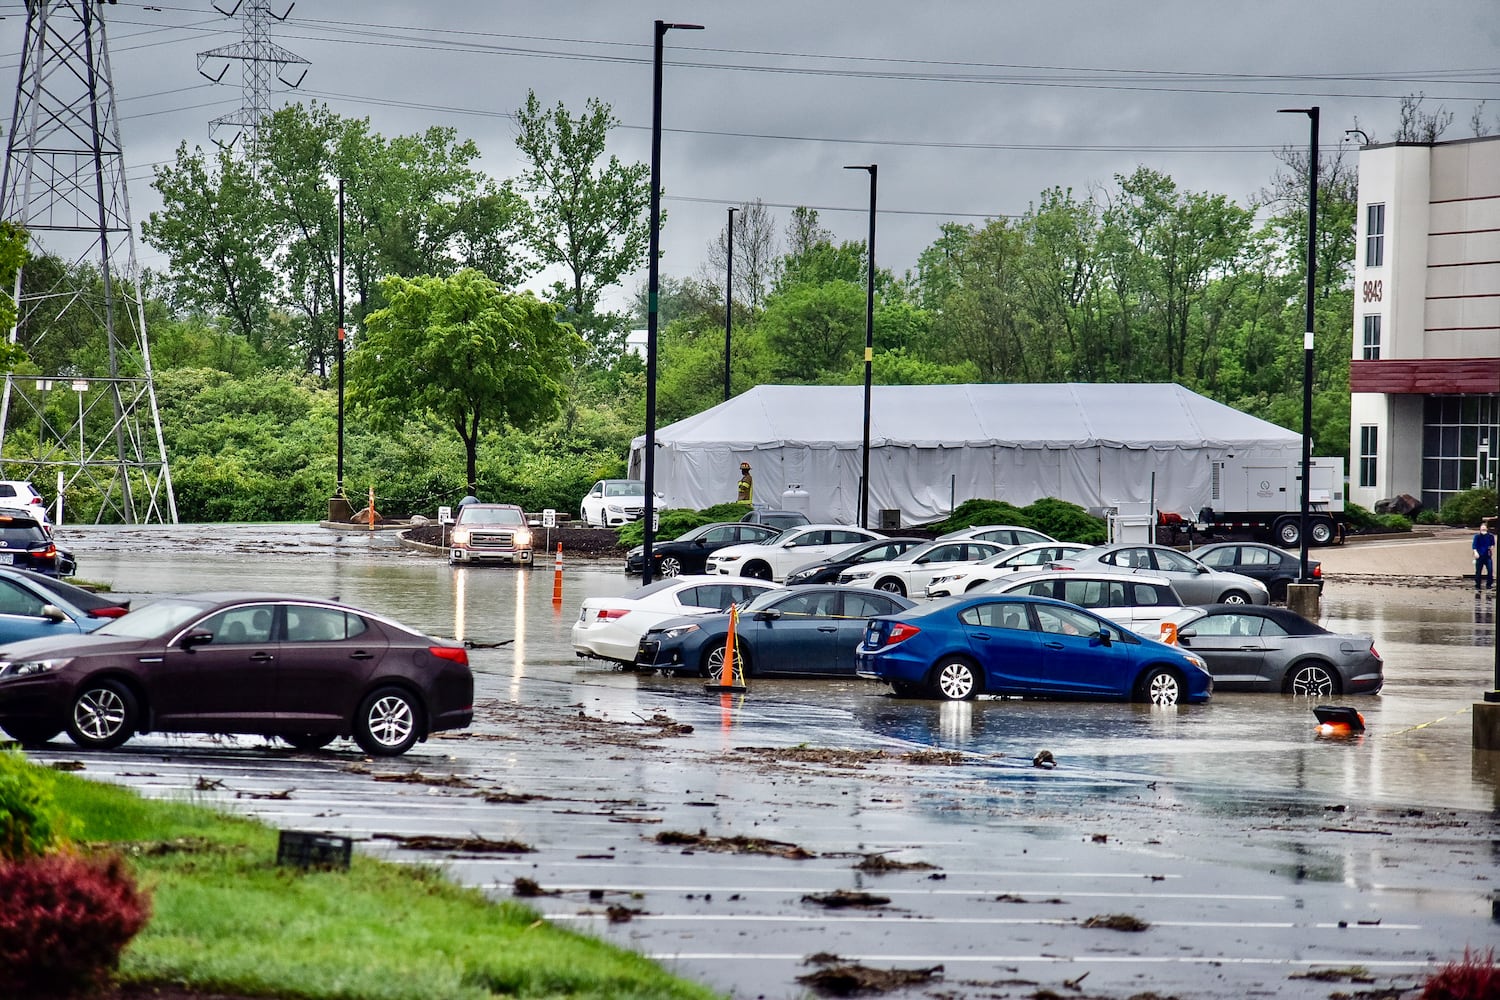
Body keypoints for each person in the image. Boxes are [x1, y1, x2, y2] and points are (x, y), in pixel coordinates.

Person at [1473, 522, 1495, 591]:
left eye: (1484, 527)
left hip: (1487, 556)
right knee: (1478, 571)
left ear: (1487, 528)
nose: (1483, 529)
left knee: (1490, 570)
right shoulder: (1477, 536)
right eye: (1482, 527)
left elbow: (1493, 544)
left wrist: (1491, 547)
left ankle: (1489, 585)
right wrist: (1475, 553)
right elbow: (1474, 546)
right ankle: (1477, 585)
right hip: (1479, 556)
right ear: (1480, 528)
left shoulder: (1490, 536)